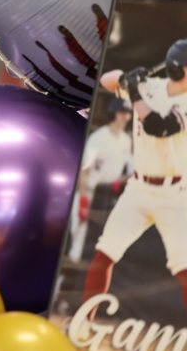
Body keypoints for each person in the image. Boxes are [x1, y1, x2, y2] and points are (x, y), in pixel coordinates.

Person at [83, 39, 187, 310]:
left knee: (184, 269)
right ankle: (83, 324)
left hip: (175, 195)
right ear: (179, 69)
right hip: (139, 190)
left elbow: (158, 126)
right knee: (104, 255)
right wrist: (126, 77)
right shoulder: (149, 87)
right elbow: (105, 81)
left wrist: (134, 91)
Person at [66, 97, 133, 261]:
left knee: (98, 244)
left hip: (108, 195)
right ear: (114, 113)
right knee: (75, 241)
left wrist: (121, 181)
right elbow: (84, 169)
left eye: (127, 113)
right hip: (88, 191)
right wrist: (83, 200)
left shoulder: (126, 141)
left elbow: (129, 171)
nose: (125, 117)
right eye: (121, 112)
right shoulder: (99, 137)